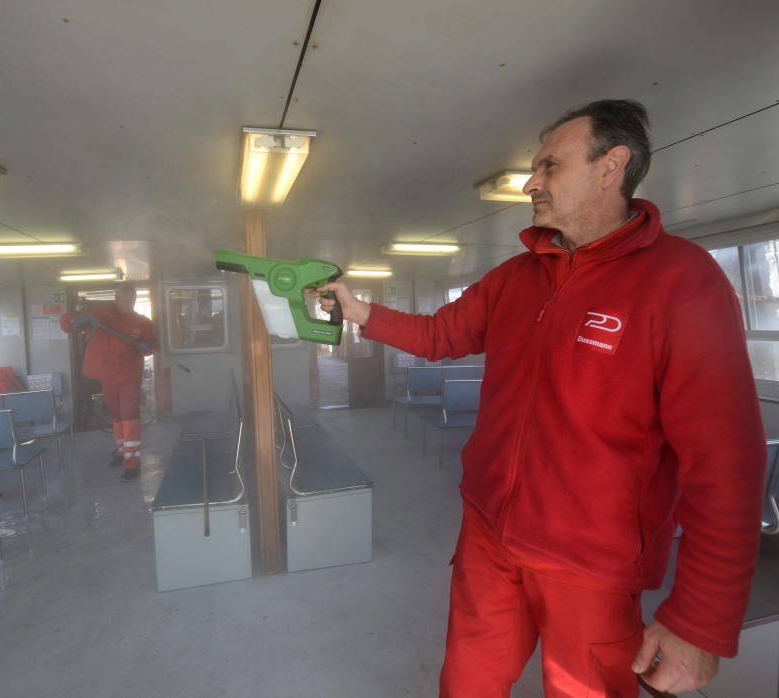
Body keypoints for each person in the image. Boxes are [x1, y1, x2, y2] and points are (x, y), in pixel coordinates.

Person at [314, 100, 766, 697]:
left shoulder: (682, 282)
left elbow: (725, 462)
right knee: (465, 686)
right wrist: (360, 312)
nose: (531, 182)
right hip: (487, 534)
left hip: (591, 566)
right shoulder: (518, 276)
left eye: (550, 166)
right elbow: (440, 334)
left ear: (612, 167)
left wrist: (702, 621)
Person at [60, 284, 157, 483]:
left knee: (129, 416)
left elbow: (151, 347)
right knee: (116, 415)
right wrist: (75, 320)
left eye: (133, 301)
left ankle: (133, 464)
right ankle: (122, 453)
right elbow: (65, 324)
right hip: (107, 376)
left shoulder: (142, 322)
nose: (131, 305)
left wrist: (148, 347)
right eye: (127, 301)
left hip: (129, 375)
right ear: (117, 299)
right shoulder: (98, 315)